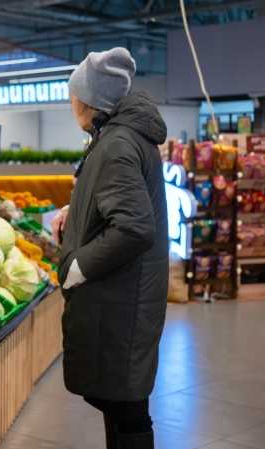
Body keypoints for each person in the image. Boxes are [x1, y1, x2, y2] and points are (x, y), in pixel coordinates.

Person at [53, 47, 169, 449]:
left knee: (128, 410)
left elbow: (135, 228)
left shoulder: (116, 144)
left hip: (120, 301)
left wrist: (77, 267)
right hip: (125, 296)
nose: (71, 103)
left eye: (73, 94)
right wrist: (78, 211)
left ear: (88, 100)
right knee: (123, 405)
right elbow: (121, 202)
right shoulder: (120, 136)